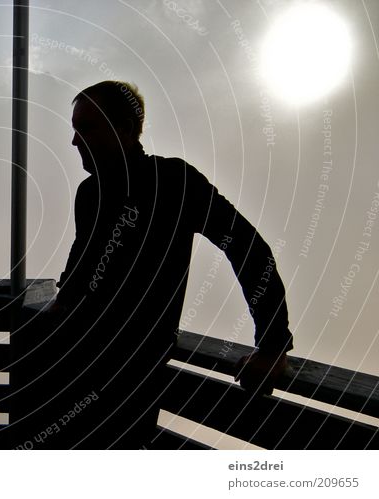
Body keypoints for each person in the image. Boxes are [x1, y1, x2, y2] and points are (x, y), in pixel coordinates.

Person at [19, 81, 293, 449]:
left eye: (85, 128)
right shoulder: (90, 194)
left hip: (127, 374)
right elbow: (80, 275)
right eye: (74, 129)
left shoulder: (175, 182)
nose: (74, 141)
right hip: (70, 366)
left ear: (125, 129)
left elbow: (248, 249)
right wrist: (47, 322)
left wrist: (273, 345)